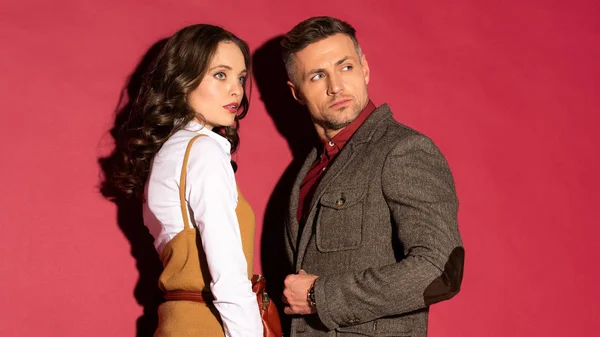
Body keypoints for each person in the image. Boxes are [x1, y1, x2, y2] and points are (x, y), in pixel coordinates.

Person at [280, 16, 465, 337]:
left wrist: (318, 295)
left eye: (346, 67)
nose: (336, 86)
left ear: (365, 68)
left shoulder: (403, 149)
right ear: (297, 92)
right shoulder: (308, 168)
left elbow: (440, 271)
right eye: (318, 75)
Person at [111, 24, 263, 336]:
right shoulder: (204, 150)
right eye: (220, 74)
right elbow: (229, 276)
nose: (236, 89)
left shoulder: (167, 154)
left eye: (240, 77)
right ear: (183, 79)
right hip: (207, 326)